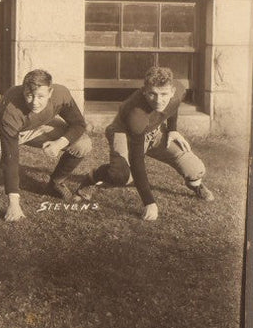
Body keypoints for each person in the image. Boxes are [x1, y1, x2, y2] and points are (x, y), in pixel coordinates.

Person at [78, 65, 214, 221]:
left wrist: (173, 129)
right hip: (125, 133)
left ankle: (194, 185)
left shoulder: (178, 90)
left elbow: (173, 106)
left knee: (195, 169)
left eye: (164, 94)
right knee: (122, 176)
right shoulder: (136, 113)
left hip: (154, 131)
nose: (158, 100)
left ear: (172, 91)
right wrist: (149, 202)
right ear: (144, 91)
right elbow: (137, 160)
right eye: (152, 94)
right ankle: (93, 176)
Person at [0, 69, 92, 222]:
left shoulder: (61, 94)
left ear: (50, 92)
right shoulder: (12, 109)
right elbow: (11, 157)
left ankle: (56, 182)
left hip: (35, 126)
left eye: (40, 96)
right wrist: (13, 204)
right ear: (23, 91)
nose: (35, 102)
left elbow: (78, 124)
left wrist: (59, 143)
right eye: (29, 95)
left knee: (83, 144)